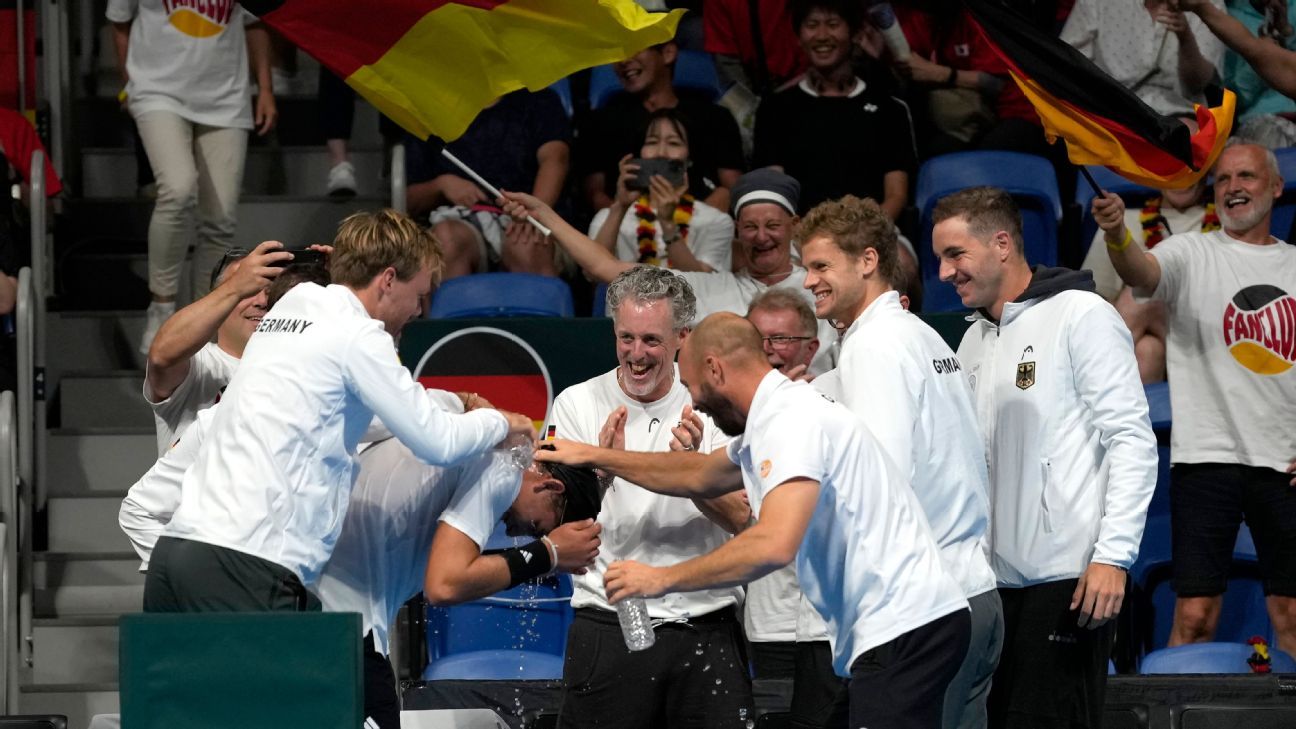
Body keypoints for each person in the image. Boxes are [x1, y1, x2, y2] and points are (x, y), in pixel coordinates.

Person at [538, 312, 973, 729]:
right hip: (893, 626)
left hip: (906, 625)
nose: (697, 404)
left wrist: (659, 579)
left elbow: (772, 544)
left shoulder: (791, 421)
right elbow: (700, 472)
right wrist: (596, 455)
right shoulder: (776, 414)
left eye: (692, 386)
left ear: (715, 369)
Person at [143, 209, 535, 613]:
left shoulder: (293, 303)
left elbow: (375, 410)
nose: (419, 311)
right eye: (419, 295)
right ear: (387, 280)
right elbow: (438, 442)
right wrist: (501, 420)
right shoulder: (357, 336)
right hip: (246, 562)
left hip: (176, 554)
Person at [121, 401, 604, 729]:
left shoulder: (438, 421)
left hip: (312, 612)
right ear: (550, 488)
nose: (527, 534)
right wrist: (549, 554)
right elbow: (444, 584)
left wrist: (600, 468)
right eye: (543, 526)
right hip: (326, 626)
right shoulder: (499, 467)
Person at [932, 187, 1157, 729]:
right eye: (940, 257)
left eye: (955, 254)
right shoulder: (973, 342)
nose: (943, 273)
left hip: (1069, 577)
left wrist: (1113, 557)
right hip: (991, 586)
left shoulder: (1082, 314)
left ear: (1002, 244)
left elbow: (1131, 438)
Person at [799, 195, 1000, 729]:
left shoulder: (875, 347)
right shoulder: (920, 334)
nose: (807, 280)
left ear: (867, 261)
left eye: (820, 266)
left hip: (924, 613)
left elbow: (878, 482)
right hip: (973, 595)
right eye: (805, 267)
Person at [1090, 142, 1296, 655]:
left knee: (1291, 617)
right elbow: (1141, 273)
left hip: (1284, 461)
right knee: (1195, 615)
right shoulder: (1191, 251)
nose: (1233, 188)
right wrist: (1119, 232)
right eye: (1223, 179)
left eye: (1246, 176)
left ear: (1275, 187)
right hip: (1206, 461)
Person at [544, 266, 753, 729]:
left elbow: (745, 522)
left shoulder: (716, 403)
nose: (636, 355)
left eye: (651, 341)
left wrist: (695, 472)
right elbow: (554, 525)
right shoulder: (576, 404)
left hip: (706, 622)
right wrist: (600, 470)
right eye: (626, 338)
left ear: (682, 336)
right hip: (612, 623)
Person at [501, 167, 838, 374]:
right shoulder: (706, 288)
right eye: (750, 227)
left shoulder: (823, 287)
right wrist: (544, 213)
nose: (761, 237)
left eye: (772, 226)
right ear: (737, 231)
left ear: (794, 226)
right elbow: (604, 266)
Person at [107, 0, 277, 356]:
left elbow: (254, 24)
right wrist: (128, 82)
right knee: (178, 188)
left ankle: (204, 319)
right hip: (157, 91)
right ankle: (162, 305)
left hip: (226, 96)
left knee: (220, 219)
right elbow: (120, 23)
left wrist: (265, 88)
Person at [752, 0, 915, 220]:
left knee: (902, 256)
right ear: (798, 38)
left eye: (832, 24)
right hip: (802, 235)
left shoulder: (890, 109)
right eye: (812, 25)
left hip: (873, 233)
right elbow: (775, 193)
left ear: (855, 35)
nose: (821, 35)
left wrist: (864, 234)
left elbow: (896, 196)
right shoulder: (775, 108)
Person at [404, 89, 571, 280]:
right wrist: (441, 185)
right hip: (460, 221)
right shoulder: (430, 113)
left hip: (529, 216)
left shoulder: (540, 98)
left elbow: (555, 159)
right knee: (446, 241)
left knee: (525, 244)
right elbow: (409, 200)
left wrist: (536, 211)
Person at [576, 40, 744, 213]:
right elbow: (596, 196)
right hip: (626, 227)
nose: (623, 61)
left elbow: (731, 189)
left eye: (634, 49)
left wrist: (690, 225)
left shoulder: (714, 118)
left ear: (668, 53)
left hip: (700, 226)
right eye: (617, 54)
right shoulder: (599, 122)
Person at [1081, 179, 1216, 384]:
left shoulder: (1223, 223)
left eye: (1192, 167)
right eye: (1170, 164)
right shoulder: (1118, 222)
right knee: (1148, 351)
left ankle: (1089, 382)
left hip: (1201, 344)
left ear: (1208, 171)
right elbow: (1093, 298)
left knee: (1140, 296)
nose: (1181, 177)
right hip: (1135, 341)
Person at [590, 108, 734, 273]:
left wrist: (668, 224)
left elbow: (704, 286)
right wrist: (620, 208)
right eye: (652, 142)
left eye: (673, 143)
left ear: (690, 158)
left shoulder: (715, 221)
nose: (661, 153)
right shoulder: (607, 219)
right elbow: (592, 273)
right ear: (640, 154)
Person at [1061, 0, 1225, 118]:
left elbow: (1197, 83)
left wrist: (1185, 37)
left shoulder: (1208, 5)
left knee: (1188, 137)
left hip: (1176, 114)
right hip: (1107, 111)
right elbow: (1066, 62)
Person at [1174, 0, 1296, 99]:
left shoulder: (1291, 8)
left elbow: (1254, 49)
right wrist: (1202, 7)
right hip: (1255, 115)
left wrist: (1284, 31)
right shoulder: (1229, 14)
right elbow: (1252, 48)